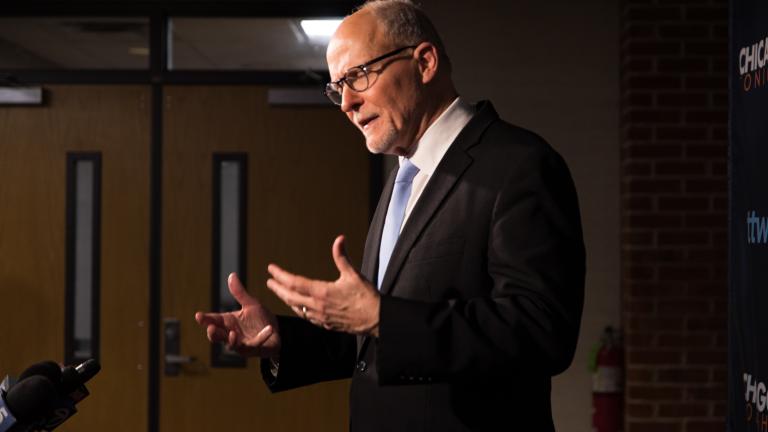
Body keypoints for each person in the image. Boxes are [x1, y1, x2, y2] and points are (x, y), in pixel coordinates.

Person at [195, 0, 585, 430]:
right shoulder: (404, 175)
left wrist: (382, 317)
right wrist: (284, 341)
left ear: (425, 62)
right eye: (337, 87)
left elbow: (540, 332)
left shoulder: (519, 165)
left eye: (359, 76)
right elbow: (380, 338)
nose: (346, 103)